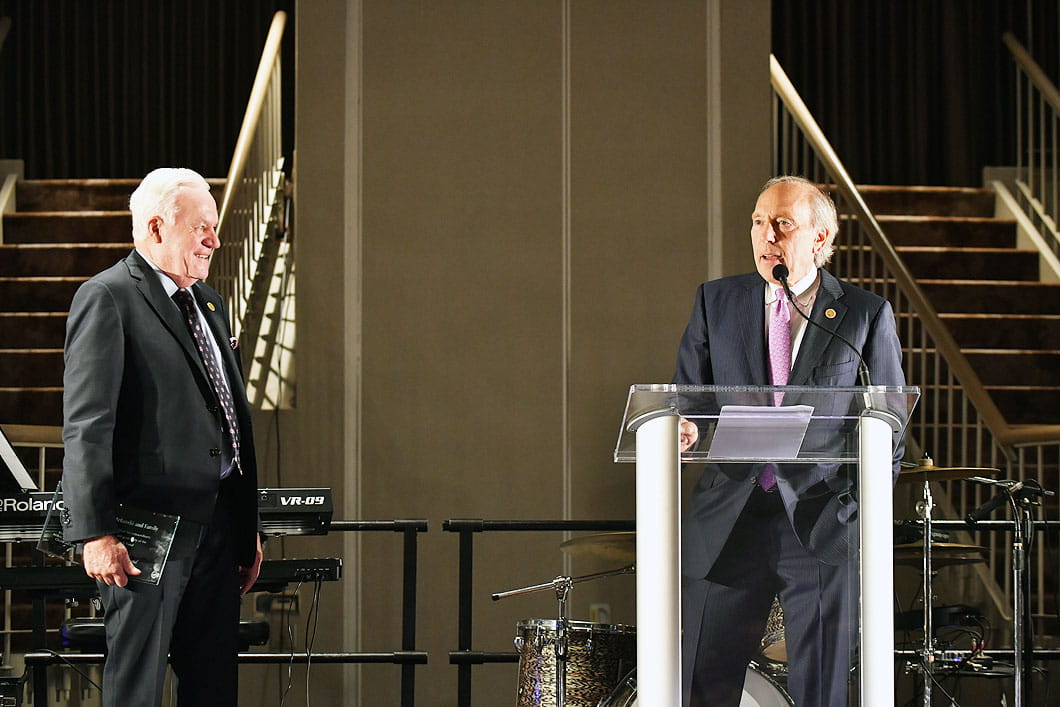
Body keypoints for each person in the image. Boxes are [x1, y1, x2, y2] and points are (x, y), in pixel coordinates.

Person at [674, 176, 905, 706]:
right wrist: (684, 428)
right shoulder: (717, 301)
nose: (766, 235)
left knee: (821, 690)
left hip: (823, 522)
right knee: (699, 683)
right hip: (730, 517)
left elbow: (889, 427)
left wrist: (856, 508)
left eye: (782, 224)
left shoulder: (864, 315)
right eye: (758, 222)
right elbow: (691, 401)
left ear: (820, 239)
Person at [61, 167, 262, 706]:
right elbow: (87, 425)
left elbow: (229, 418)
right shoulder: (107, 297)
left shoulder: (211, 305)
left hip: (218, 533)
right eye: (201, 228)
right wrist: (94, 533)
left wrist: (247, 529)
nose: (214, 241)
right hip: (144, 535)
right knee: (137, 693)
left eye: (214, 228)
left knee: (213, 689)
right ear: (155, 228)